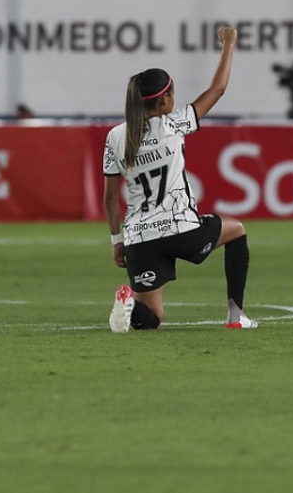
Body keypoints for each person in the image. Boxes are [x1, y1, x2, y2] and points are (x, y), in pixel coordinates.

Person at [103, 27, 257, 332]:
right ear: (163, 102)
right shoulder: (173, 125)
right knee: (237, 231)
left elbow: (110, 197)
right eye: (172, 93)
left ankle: (130, 307)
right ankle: (235, 315)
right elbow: (218, 89)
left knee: (152, 319)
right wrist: (228, 45)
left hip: (140, 238)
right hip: (182, 229)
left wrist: (117, 242)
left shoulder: (115, 137)